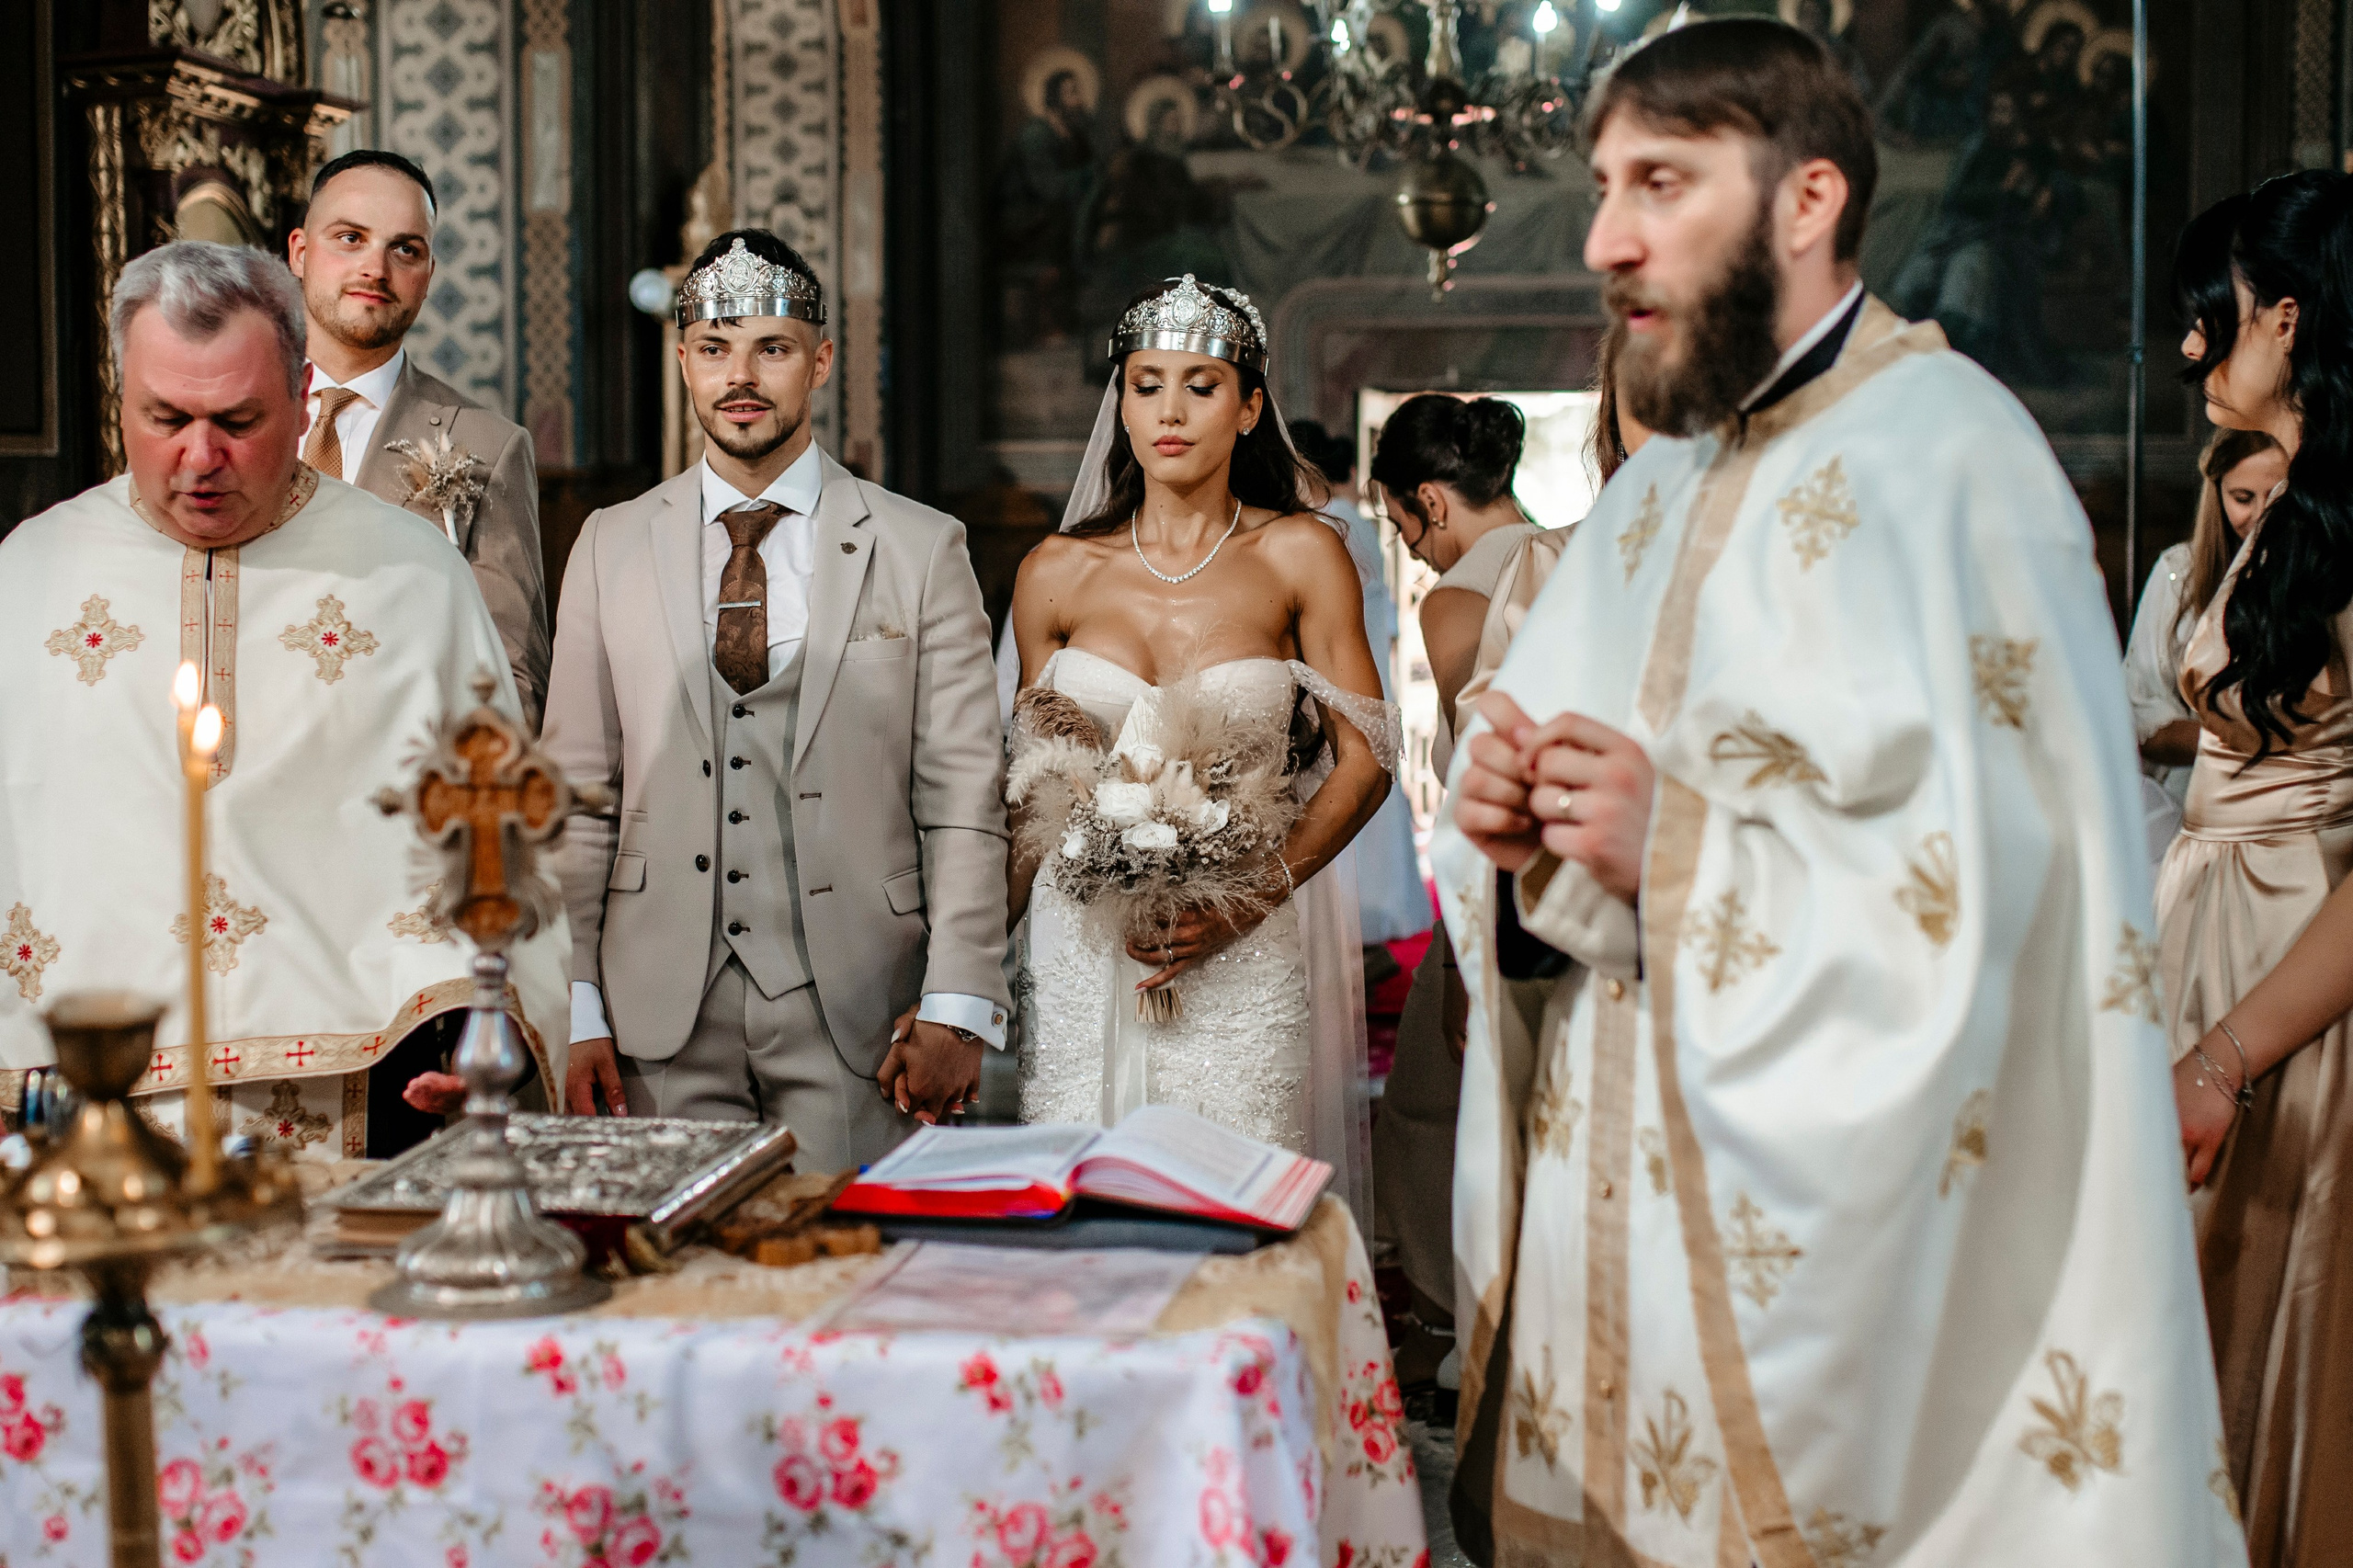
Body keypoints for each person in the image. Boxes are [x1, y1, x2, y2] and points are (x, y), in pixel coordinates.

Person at [1438, 22, 2234, 1564]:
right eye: (1605, 185)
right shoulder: (1654, 483)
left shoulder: (1956, 465)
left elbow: (2019, 932)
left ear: (1807, 201)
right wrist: (1522, 845)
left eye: (1660, 182)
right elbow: (1571, 886)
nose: (1606, 239)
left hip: (1843, 1316)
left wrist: (1682, 859)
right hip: (1616, 1271)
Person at [0, 240, 568, 1157]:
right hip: (83, 1106)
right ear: (121, 398)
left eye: (237, 418)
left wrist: (487, 1026)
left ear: (302, 393)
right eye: (165, 417)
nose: (200, 456)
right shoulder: (29, 575)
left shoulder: (411, 576)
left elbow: (498, 830)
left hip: (365, 1084)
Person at [544, 230, 1011, 1172]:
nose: (741, 375)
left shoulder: (922, 548)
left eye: (773, 347)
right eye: (714, 348)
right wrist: (573, 1003)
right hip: (656, 1004)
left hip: (859, 1005)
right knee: (667, 1291)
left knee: (851, 1284)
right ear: (683, 361)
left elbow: (964, 795)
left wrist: (958, 1001)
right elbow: (578, 796)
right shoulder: (609, 543)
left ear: (821, 360)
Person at [1006, 274, 1397, 1220]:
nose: (1169, 411)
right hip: (1079, 945)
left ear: (1249, 405)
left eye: (1200, 384)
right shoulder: (1053, 571)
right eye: (1146, 385)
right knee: (1082, 1206)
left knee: (1235, 1204)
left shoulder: (1301, 554)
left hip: (1239, 946)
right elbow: (1032, 786)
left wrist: (1249, 895)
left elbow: (1369, 757)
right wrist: (965, 977)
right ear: (1121, 405)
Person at [2159, 172, 2353, 1568]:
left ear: (2288, 319)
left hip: (2294, 984)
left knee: (2274, 1349)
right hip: (2207, 935)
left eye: (2207, 319)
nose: (2190, 350)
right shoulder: (2275, 517)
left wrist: (2228, 1055)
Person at [1362, 393, 1536, 1367]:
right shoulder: (1577, 552)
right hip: (1567, 890)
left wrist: (1468, 959)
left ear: (1430, 499)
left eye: (1400, 523)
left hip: (1496, 894)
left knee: (1425, 1109)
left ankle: (1446, 1325)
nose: (1411, 548)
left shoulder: (1464, 596)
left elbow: (1478, 781)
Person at [286, 150, 550, 728]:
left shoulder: (488, 445)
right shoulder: (230, 422)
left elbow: (511, 681)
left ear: (427, 276)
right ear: (301, 253)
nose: (374, 270)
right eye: (350, 238)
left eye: (404, 249)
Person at [1288, 417, 1432, 956]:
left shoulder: (1327, 528)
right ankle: (1376, 921)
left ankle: (1362, 925)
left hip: (1338, 681)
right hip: (1370, 675)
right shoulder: (1350, 523)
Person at [2123, 428, 2286, 856]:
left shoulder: (2321, 579)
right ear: (2218, 497)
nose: (2261, 514)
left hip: (2296, 799)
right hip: (2195, 791)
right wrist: (2237, 743)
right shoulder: (2180, 573)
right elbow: (2142, 713)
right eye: (2243, 497)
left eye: (2276, 495)